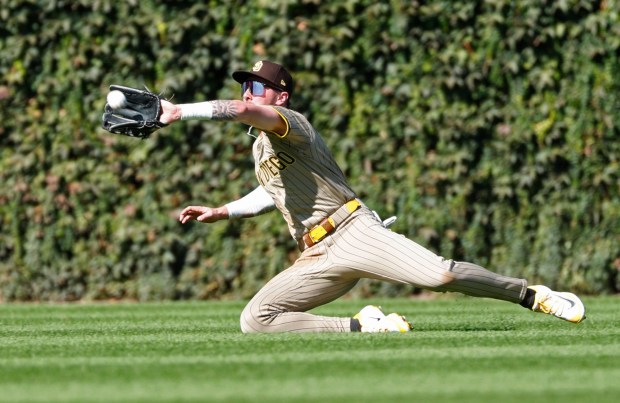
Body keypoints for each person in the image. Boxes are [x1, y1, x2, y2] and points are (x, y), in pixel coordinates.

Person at [159, 60, 586, 333]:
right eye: (247, 84)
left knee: (442, 276)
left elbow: (245, 111)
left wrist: (181, 111)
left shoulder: (291, 123)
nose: (250, 90)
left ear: (281, 97)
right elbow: (273, 193)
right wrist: (223, 211)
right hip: (315, 253)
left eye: (259, 85)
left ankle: (531, 295)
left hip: (353, 231)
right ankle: (364, 325)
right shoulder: (259, 149)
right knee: (255, 320)